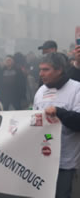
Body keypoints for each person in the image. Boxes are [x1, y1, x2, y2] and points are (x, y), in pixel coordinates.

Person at [33, 52, 80, 198]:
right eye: (40, 69)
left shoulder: (76, 89)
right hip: (43, 157)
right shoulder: (40, 91)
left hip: (65, 161)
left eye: (46, 69)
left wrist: (59, 112)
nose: (41, 74)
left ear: (59, 70)